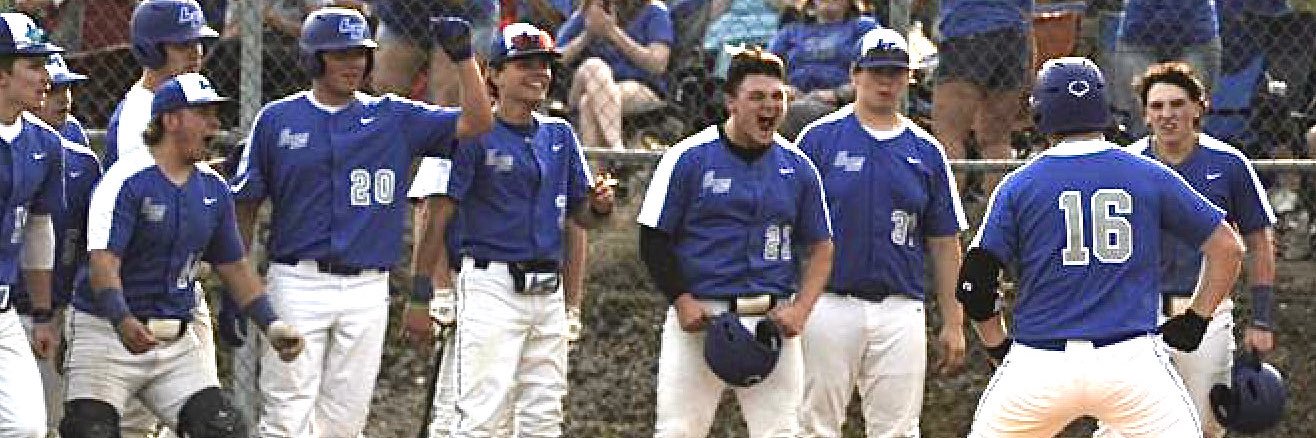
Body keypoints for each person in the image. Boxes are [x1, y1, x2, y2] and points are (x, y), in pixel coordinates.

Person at [228, 7, 492, 436]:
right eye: (340, 55)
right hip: (297, 281)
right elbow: (246, 208)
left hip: (368, 288)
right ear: (314, 59)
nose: (354, 64)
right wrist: (242, 291)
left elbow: (478, 122)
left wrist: (463, 60)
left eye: (361, 54)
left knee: (345, 421)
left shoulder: (394, 115)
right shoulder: (277, 119)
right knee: (286, 415)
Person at [957, 57, 1245, 437]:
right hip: (1129, 362)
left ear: (1041, 112)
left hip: (1042, 360)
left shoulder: (1020, 184)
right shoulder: (1146, 171)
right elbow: (1229, 247)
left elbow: (975, 284)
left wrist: (998, 347)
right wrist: (1197, 318)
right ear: (1103, 108)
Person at [60, 73, 304, 437]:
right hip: (106, 333)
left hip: (174, 342)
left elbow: (233, 264)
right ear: (171, 120)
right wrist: (123, 320)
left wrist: (272, 324)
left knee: (222, 430)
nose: (215, 124)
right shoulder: (126, 180)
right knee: (90, 430)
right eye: (203, 114)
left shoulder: (213, 188)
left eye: (216, 115)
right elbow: (103, 264)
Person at [404, 23, 616, 436]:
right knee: (482, 414)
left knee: (543, 417)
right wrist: (426, 291)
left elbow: (581, 219)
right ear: (495, 75)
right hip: (489, 284)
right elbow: (436, 214)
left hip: (547, 288)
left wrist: (599, 206)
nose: (539, 73)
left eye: (544, 64)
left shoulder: (560, 134)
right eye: (524, 64)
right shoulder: (473, 134)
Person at [637, 48, 834, 437]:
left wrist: (802, 309)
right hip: (703, 317)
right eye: (757, 97)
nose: (769, 107)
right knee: (679, 430)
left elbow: (822, 246)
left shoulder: (798, 168)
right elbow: (653, 238)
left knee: (781, 431)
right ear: (731, 103)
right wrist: (681, 300)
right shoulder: (688, 158)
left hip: (770, 319)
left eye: (777, 96)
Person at [794, 28, 967, 437]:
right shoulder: (818, 140)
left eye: (896, 72)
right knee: (814, 425)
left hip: (900, 306)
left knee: (899, 430)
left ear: (909, 78)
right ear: (855, 75)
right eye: (876, 71)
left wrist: (953, 321)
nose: (886, 81)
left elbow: (945, 243)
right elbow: (788, 224)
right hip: (828, 303)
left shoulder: (926, 151)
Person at [1112, 61, 1277, 438]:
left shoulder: (1229, 163)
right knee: (1123, 424)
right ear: (1144, 114)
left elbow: (1258, 241)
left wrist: (1263, 318)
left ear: (1199, 107)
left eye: (1177, 104)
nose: (1167, 115)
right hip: (1134, 311)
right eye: (1157, 106)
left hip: (1205, 310)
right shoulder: (1126, 166)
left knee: (1203, 424)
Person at [10, 51, 99, 436]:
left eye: (67, 88)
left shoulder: (67, 154)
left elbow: (80, 241)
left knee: (36, 423)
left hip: (33, 309)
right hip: (13, 304)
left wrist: (54, 313)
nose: (61, 96)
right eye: (55, 87)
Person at [0, 12, 69, 438]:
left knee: (26, 427)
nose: (46, 76)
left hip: (4, 311)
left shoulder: (45, 144)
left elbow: (39, 229)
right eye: (33, 64)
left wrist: (43, 313)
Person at [930, 0, 1033, 202]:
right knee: (997, 139)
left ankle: (946, 226)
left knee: (948, 135)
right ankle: (999, 222)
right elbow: (1028, 11)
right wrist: (1030, 59)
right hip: (1013, 35)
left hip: (966, 31)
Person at [556, 0, 674, 149]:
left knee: (588, 103)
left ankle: (596, 170)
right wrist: (588, 34)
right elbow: (556, 59)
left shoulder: (654, 11)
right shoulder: (590, 10)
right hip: (583, 84)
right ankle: (618, 149)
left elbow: (658, 64)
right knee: (595, 66)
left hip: (639, 86)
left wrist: (612, 32)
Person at [1107, 0, 1221, 138]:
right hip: (1138, 31)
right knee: (1141, 111)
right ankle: (1144, 152)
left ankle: (1191, 153)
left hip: (1197, 31)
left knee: (1193, 108)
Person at [769, 0, 877, 140]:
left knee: (791, 113)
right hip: (793, 99)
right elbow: (767, 70)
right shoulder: (790, 32)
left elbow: (876, 73)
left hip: (840, 105)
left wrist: (837, 95)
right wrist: (782, 90)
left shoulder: (862, 27)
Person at [370, 0, 499, 103]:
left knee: (450, 99)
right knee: (385, 91)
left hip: (467, 16)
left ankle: (441, 134)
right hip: (402, 16)